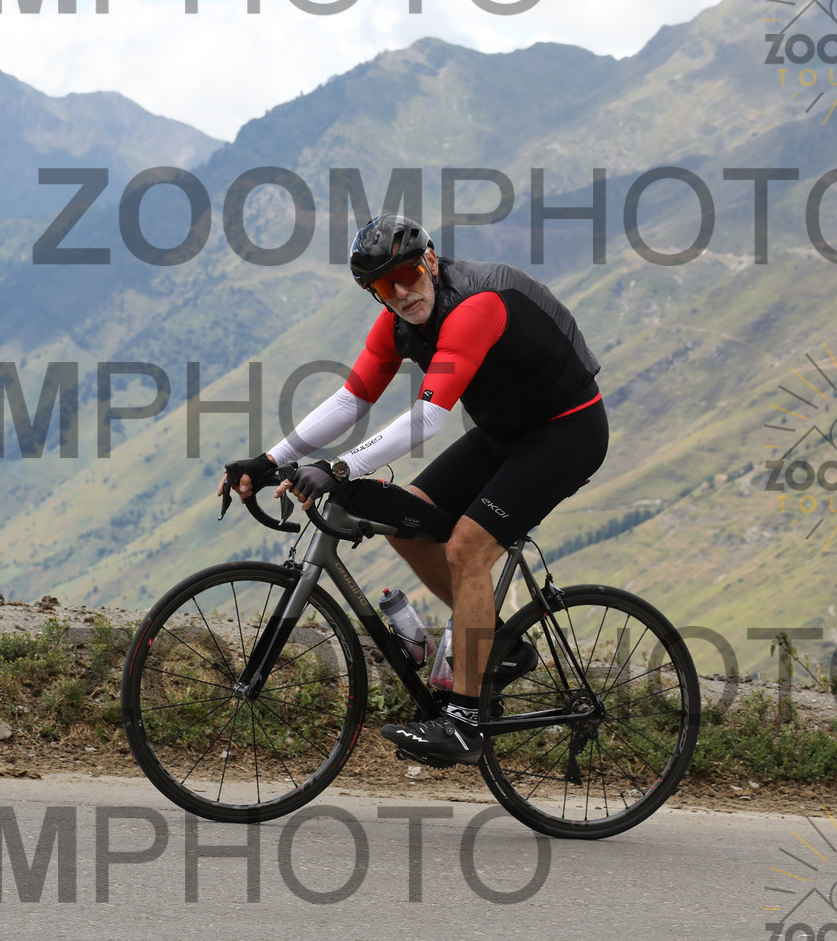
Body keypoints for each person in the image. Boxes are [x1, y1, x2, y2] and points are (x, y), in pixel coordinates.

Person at [220, 213, 607, 766]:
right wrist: (270, 460)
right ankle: (500, 646)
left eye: (406, 275)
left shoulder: (474, 306)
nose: (401, 293)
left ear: (429, 261)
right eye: (384, 287)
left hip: (568, 431)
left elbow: (428, 418)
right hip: (504, 432)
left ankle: (465, 725)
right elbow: (351, 400)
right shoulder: (396, 323)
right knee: (406, 520)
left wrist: (339, 468)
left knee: (466, 548)